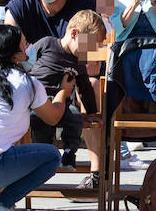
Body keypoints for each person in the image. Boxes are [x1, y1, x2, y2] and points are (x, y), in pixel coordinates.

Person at [0, 25, 69, 211]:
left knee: (8, 150)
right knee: (51, 155)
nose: (28, 47)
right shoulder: (27, 83)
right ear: (14, 53)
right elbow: (52, 118)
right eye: (24, 44)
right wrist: (64, 92)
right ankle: (1, 206)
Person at [27, 10, 104, 187]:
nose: (90, 51)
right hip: (37, 100)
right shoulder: (47, 44)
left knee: (75, 118)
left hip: (62, 104)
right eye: (89, 45)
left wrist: (91, 112)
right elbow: (26, 61)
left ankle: (69, 153)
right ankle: (44, 155)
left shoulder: (79, 60)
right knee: (38, 122)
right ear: (74, 34)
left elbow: (84, 86)